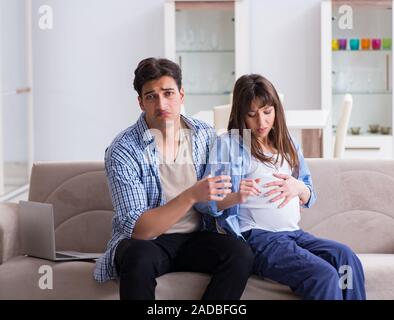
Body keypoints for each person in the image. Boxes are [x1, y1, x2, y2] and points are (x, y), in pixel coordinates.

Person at [93, 57, 254, 300]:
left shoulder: (205, 136)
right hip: (150, 243)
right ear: (140, 103)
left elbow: (222, 194)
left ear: (181, 95)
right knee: (138, 257)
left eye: (168, 93)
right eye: (151, 96)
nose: (161, 103)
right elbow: (140, 230)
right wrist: (191, 195)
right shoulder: (124, 149)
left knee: (240, 253)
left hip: (196, 238)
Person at [195, 74, 366, 300]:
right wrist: (236, 196)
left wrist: (299, 188)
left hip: (294, 235)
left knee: (347, 260)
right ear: (241, 115)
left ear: (276, 109)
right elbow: (204, 203)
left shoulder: (289, 144)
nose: (261, 122)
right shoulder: (230, 144)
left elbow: (309, 194)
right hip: (258, 238)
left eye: (267, 112)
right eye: (252, 114)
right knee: (322, 275)